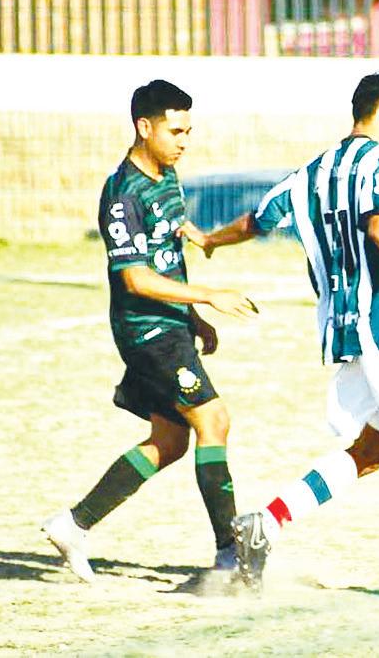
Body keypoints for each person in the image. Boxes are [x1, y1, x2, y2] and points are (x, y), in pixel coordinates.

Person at [180, 70, 379, 601]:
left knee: (369, 451)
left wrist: (211, 240)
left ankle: (264, 524)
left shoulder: (310, 172)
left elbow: (256, 221)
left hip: (342, 332)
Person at [42, 79, 258, 583]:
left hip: (171, 324)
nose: (184, 141)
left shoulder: (167, 175)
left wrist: (193, 317)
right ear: (144, 127)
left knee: (170, 439)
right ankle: (230, 555)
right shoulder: (122, 195)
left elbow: (168, 253)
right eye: (175, 131)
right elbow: (136, 279)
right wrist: (208, 296)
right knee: (214, 420)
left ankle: (74, 524)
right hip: (145, 331)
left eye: (189, 131)